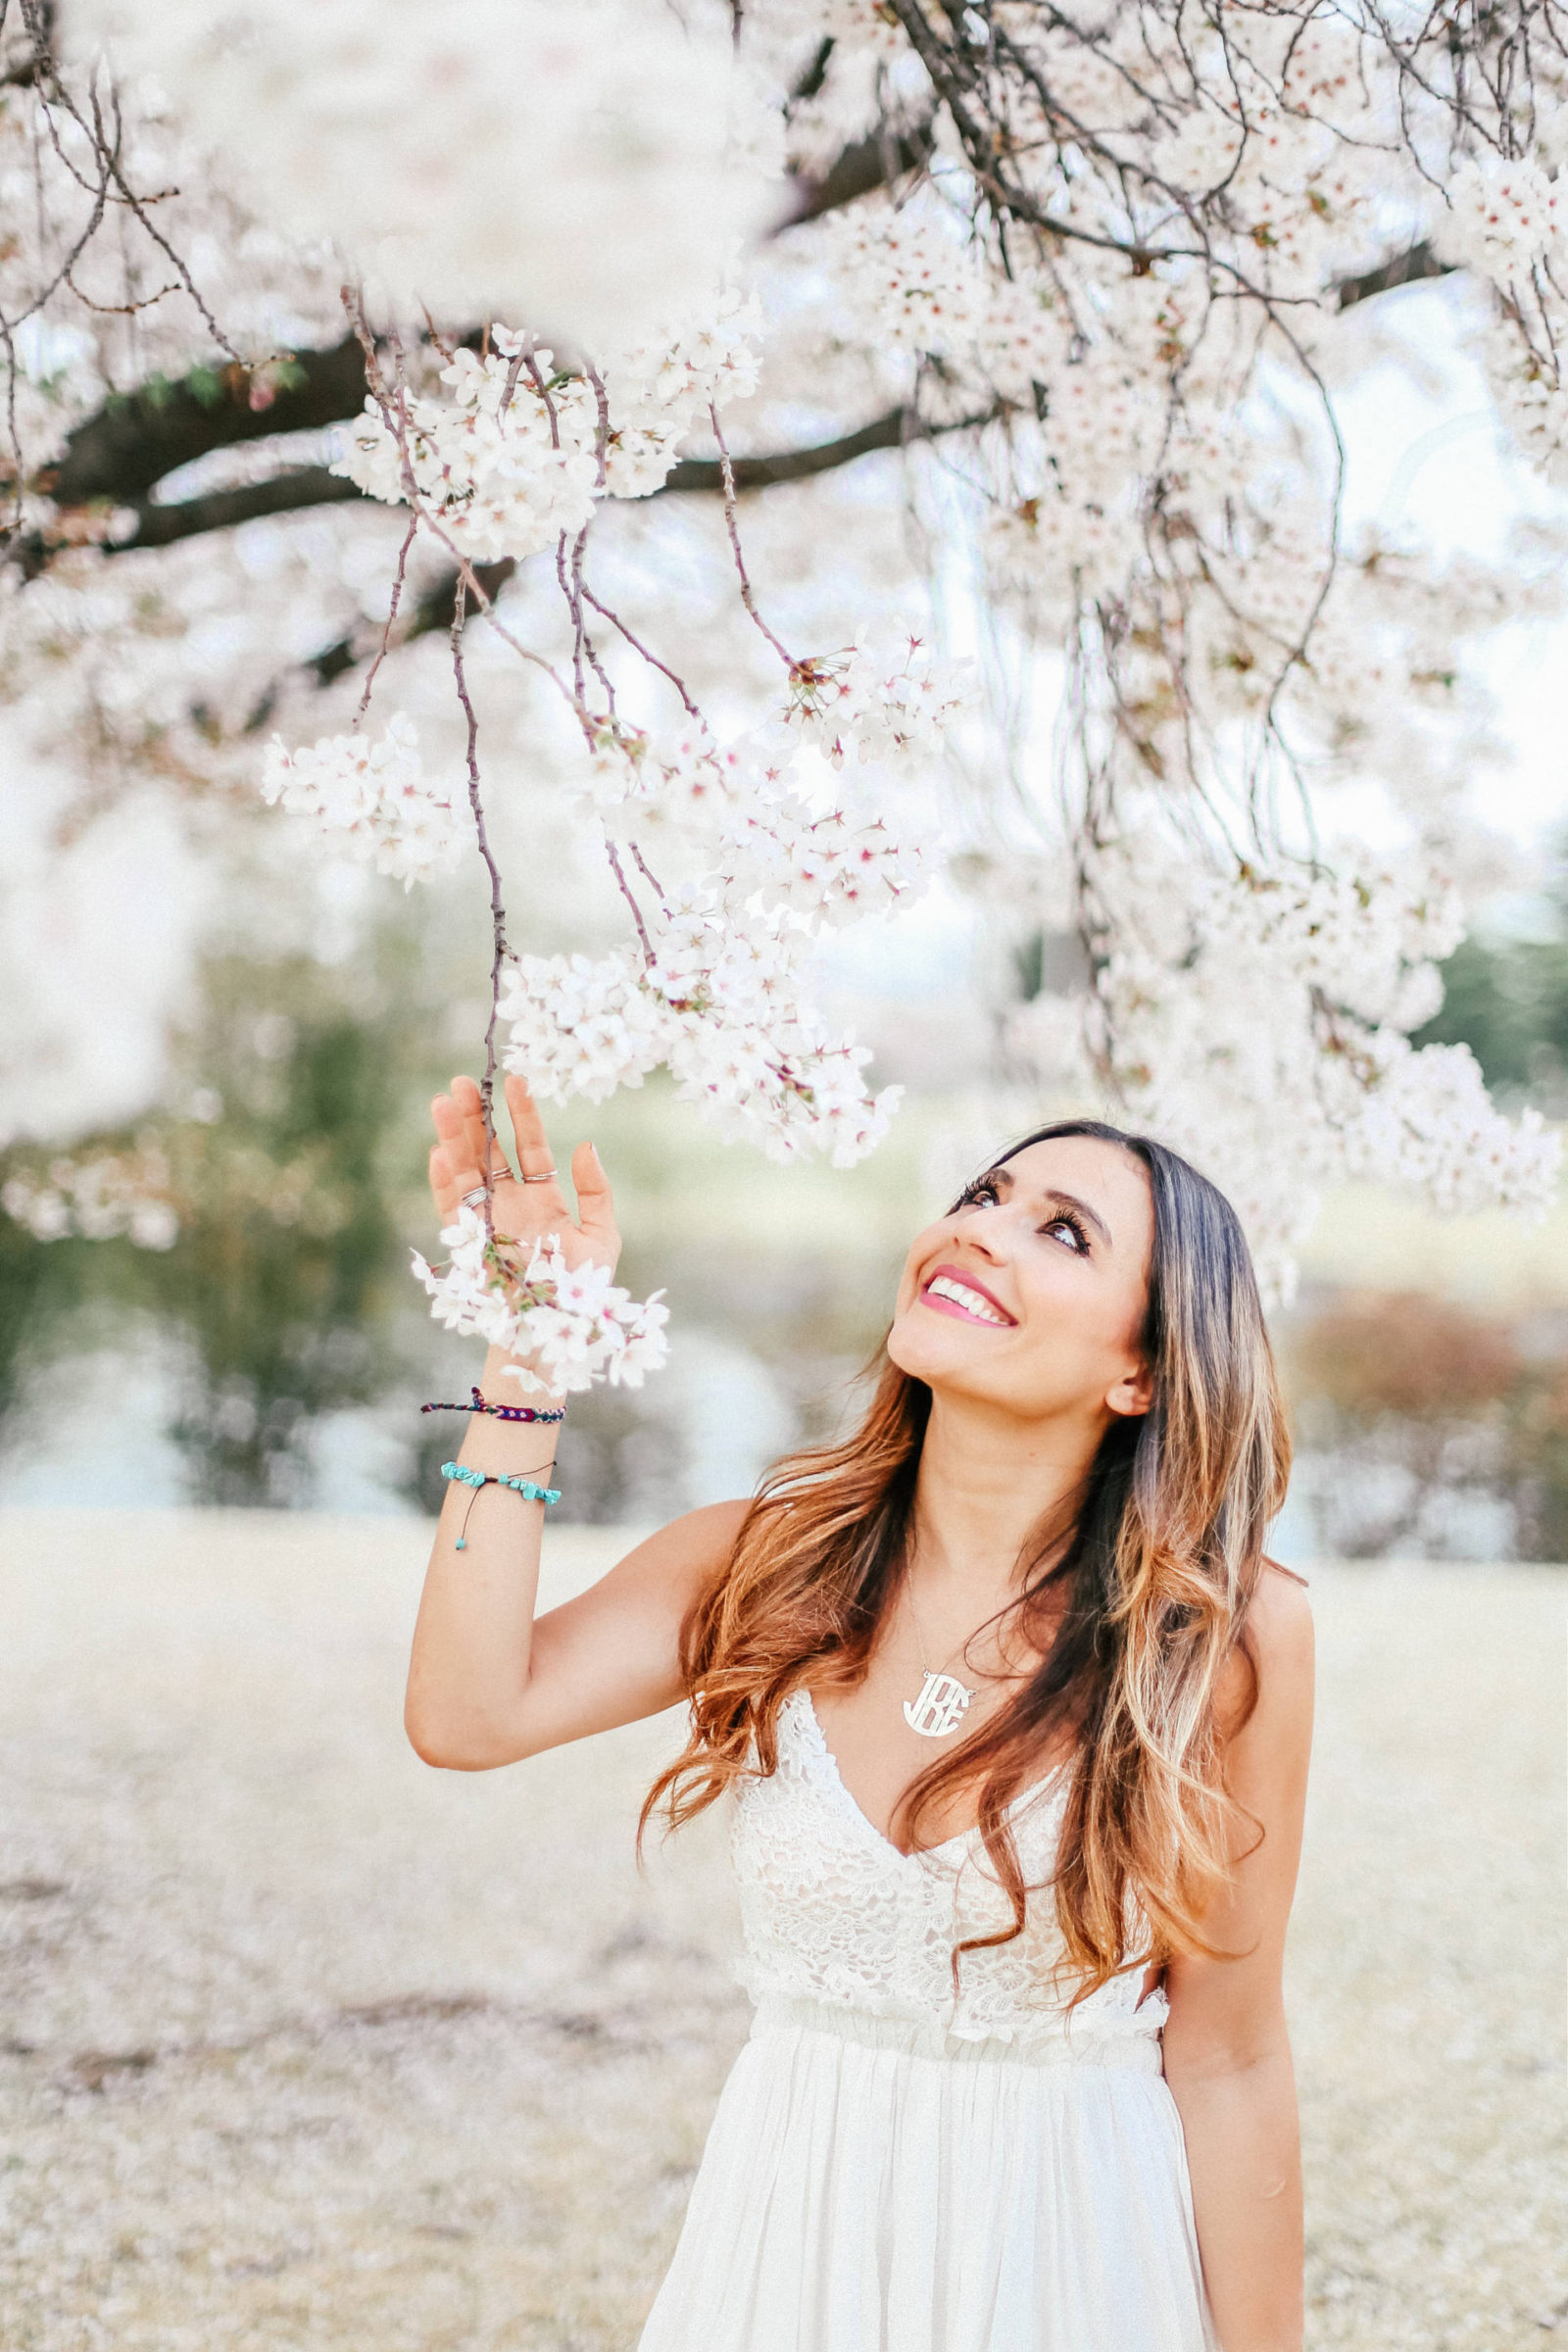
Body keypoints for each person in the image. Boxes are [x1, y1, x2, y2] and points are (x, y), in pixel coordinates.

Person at [406, 1070, 1314, 2352]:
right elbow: (466, 1713)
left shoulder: (1221, 1636)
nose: (982, 1230)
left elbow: (1227, 2056)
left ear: (1144, 1374)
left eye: (1063, 1231)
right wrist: (530, 1346)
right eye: (981, 1195)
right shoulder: (760, 1563)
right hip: (786, 2250)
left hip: (1074, 2258)